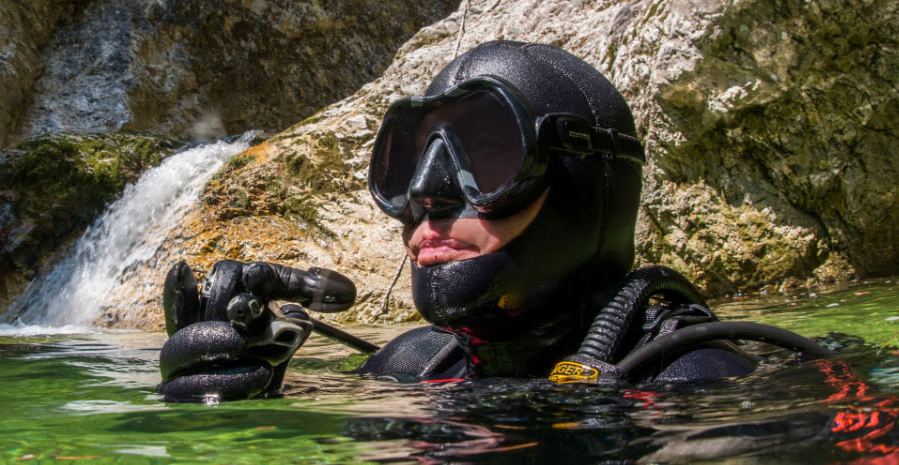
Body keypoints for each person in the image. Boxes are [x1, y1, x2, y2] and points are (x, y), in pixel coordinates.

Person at [156, 41, 825, 402]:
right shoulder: (412, 364)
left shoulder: (699, 383)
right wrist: (241, 377)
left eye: (490, 154)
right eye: (407, 164)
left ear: (583, 180)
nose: (427, 195)